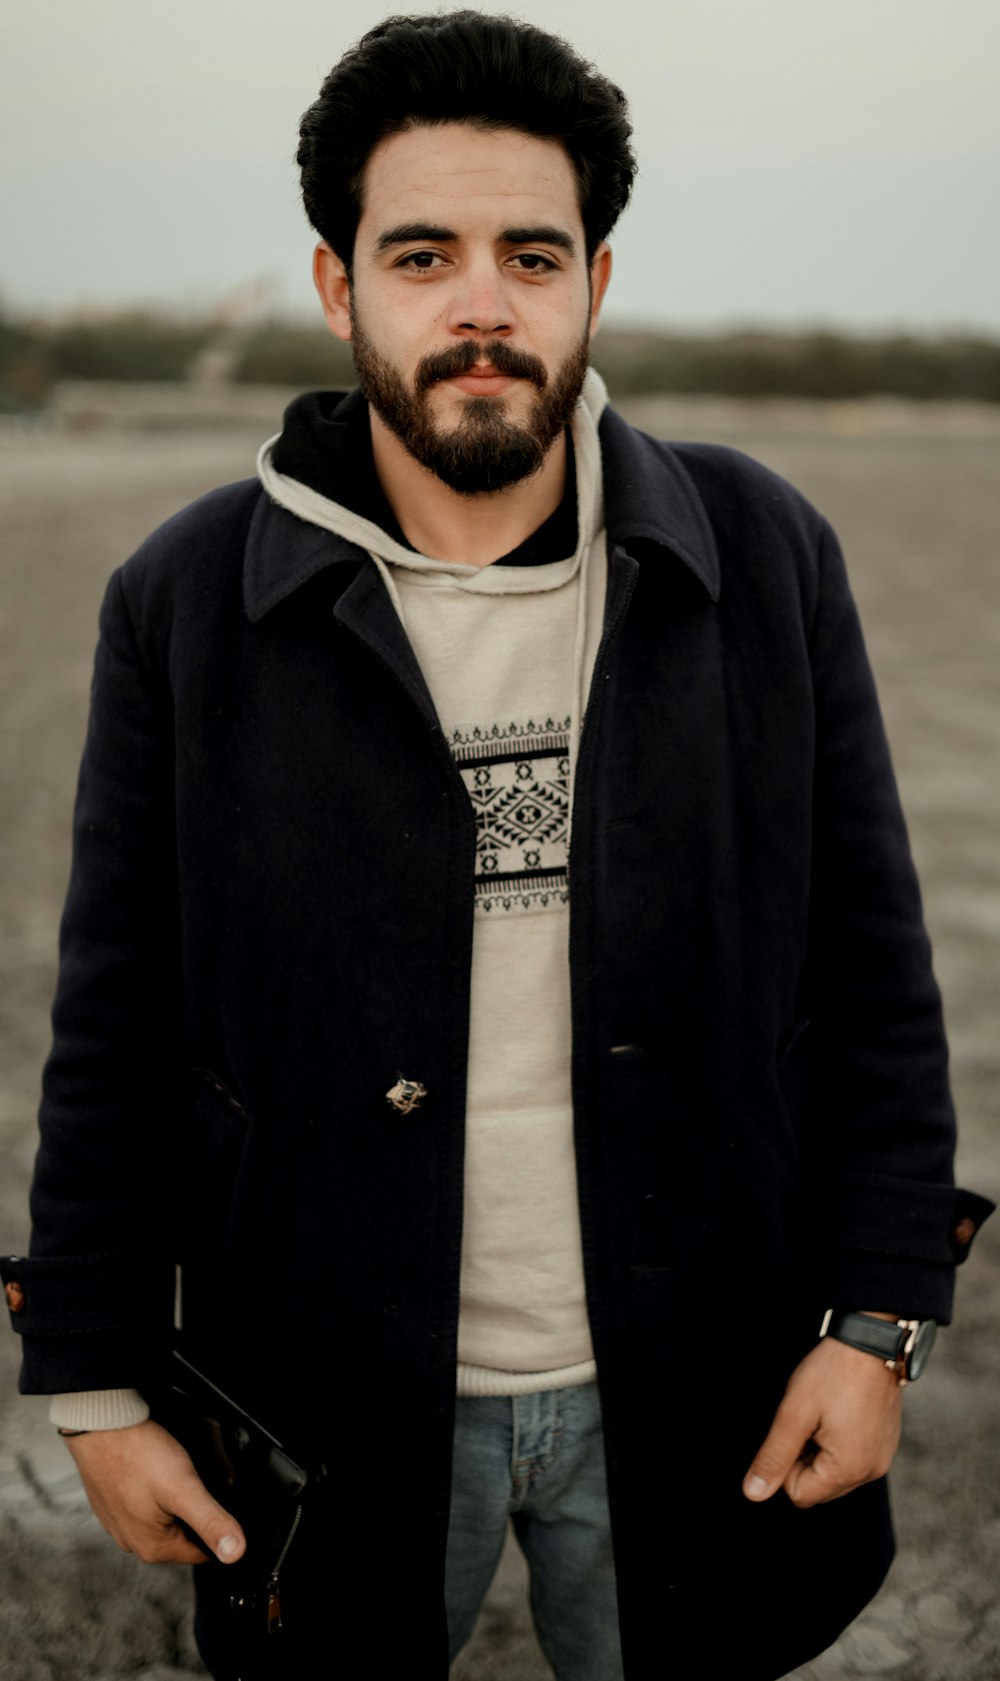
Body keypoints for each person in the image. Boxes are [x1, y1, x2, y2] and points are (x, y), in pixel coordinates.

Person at [2, 13, 993, 1680]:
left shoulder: (760, 555)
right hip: (326, 1389)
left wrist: (879, 1325)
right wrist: (95, 1378)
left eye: (532, 254)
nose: (481, 304)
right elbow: (116, 1023)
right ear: (338, 287)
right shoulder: (184, 602)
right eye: (422, 254)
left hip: (698, 1375)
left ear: (596, 278)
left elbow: (876, 978)